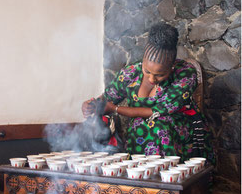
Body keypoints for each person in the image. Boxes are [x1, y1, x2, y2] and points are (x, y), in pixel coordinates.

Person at [82, 22, 214, 163]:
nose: (152, 79)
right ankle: (141, 179)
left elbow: (158, 111)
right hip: (141, 132)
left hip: (177, 129)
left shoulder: (185, 73)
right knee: (141, 126)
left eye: (160, 75)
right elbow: (107, 98)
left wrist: (115, 109)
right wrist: (92, 105)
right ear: (143, 60)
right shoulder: (130, 73)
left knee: (157, 126)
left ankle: (168, 179)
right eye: (147, 71)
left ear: (172, 66)